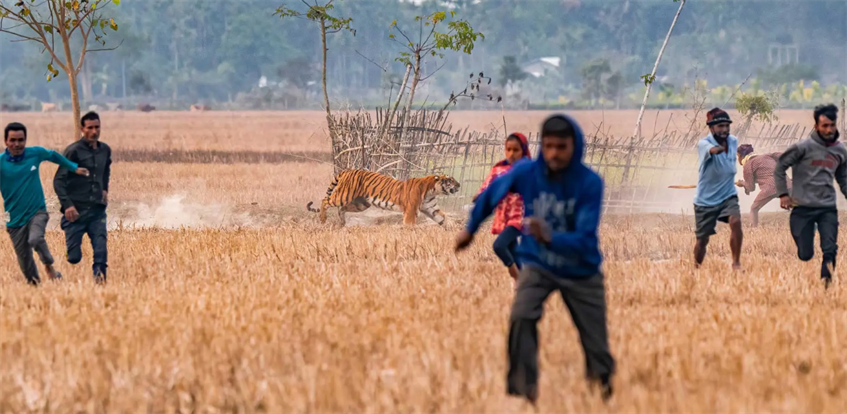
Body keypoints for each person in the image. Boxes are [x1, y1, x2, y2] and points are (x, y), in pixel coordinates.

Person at [455, 114, 615, 404]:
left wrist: (551, 236)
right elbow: (492, 194)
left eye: (561, 147)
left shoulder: (590, 183)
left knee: (594, 339)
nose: (554, 153)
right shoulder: (528, 172)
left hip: (581, 269)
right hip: (538, 264)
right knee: (521, 316)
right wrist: (470, 229)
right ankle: (524, 390)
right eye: (549, 146)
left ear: (574, 147)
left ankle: (601, 390)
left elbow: (585, 238)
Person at [1, 122, 89, 285]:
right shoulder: (0, 163)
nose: (17, 144)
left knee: (35, 239)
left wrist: (73, 168)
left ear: (25, 140)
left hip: (37, 212)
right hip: (14, 220)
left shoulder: (35, 153)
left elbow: (53, 156)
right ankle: (36, 290)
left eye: (21, 140)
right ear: (6, 141)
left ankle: (49, 266)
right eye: (13, 140)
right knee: (25, 263)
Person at [774, 103, 847, 289]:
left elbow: (843, 178)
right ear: (816, 126)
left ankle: (826, 287)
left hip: (827, 207)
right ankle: (804, 250)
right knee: (805, 254)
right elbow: (780, 166)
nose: (829, 129)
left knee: (830, 249)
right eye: (825, 126)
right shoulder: (802, 148)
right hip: (802, 207)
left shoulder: (840, 151)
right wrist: (783, 194)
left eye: (832, 125)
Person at [53, 111, 112, 284]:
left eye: (97, 127)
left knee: (100, 248)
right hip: (76, 212)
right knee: (74, 257)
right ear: (82, 129)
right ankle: (69, 244)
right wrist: (67, 205)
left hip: (96, 210)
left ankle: (100, 282)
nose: (94, 131)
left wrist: (105, 189)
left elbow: (105, 171)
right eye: (90, 128)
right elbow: (59, 180)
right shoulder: (73, 151)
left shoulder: (105, 150)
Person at [472, 132, 531, 287]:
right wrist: (480, 196)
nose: (511, 154)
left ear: (523, 151)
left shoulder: (529, 171)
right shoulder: (498, 169)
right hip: (503, 216)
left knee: (499, 245)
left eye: (516, 150)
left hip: (520, 217)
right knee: (513, 249)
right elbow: (487, 187)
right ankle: (524, 283)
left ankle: (516, 276)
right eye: (508, 149)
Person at [693, 108, 743, 270]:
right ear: (711, 128)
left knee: (735, 222)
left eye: (727, 126)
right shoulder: (704, 144)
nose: (724, 130)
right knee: (703, 240)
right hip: (705, 200)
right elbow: (711, 150)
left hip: (728, 195)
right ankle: (696, 267)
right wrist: (717, 149)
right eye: (720, 126)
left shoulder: (733, 141)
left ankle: (736, 263)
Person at [734, 144, 791, 227]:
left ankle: (754, 230)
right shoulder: (767, 156)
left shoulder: (748, 166)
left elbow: (751, 187)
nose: (737, 159)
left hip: (771, 187)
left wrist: (742, 183)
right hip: (786, 183)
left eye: (737, 156)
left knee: (754, 209)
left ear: (741, 156)